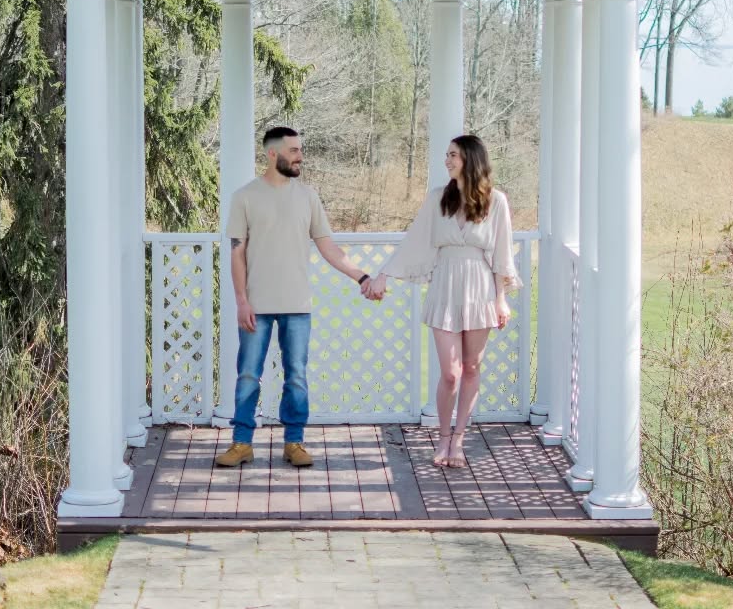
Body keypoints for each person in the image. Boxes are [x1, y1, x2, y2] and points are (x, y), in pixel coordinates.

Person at [214, 127, 374, 469]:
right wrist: (241, 300)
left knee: (296, 375)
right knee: (247, 374)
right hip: (256, 305)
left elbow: (328, 247)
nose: (300, 155)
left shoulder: (308, 197)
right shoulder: (244, 196)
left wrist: (361, 275)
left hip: (297, 306)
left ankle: (294, 442)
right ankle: (241, 443)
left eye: (301, 149)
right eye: (294, 150)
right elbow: (236, 252)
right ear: (273, 154)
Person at [366, 134, 519, 468]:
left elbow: (502, 254)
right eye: (446, 154)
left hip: (481, 288)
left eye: (453, 155)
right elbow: (414, 243)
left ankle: (460, 441)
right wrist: (384, 275)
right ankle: (443, 437)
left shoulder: (497, 202)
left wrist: (501, 299)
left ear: (471, 159)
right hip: (446, 286)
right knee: (450, 372)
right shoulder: (439, 199)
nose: (447, 160)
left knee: (472, 367)